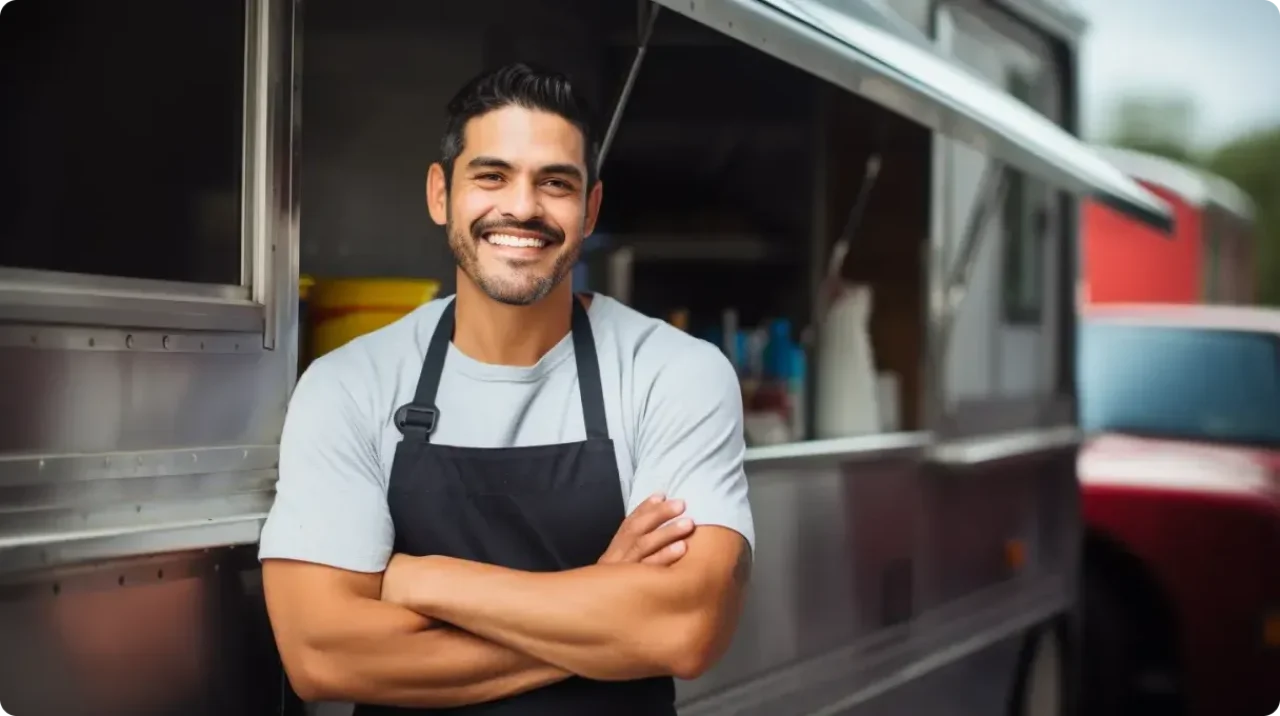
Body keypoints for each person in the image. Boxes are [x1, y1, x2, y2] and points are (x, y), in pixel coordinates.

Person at [259, 62, 755, 715]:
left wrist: (422, 579)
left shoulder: (673, 372)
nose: (522, 207)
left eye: (555, 182)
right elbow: (321, 655)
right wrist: (606, 601)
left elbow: (684, 629)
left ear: (589, 208)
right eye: (491, 176)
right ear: (441, 195)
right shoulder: (349, 385)